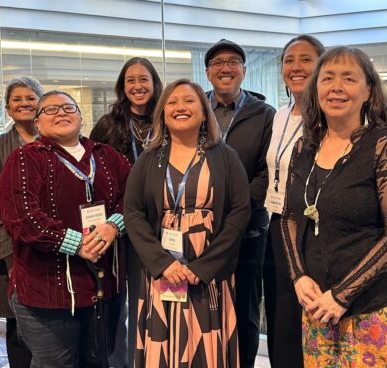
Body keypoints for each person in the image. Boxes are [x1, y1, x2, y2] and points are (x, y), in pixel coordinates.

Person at [281, 47, 387, 367]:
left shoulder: (386, 146)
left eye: (349, 78)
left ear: (369, 90)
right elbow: (289, 216)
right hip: (318, 308)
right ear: (316, 88)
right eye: (327, 77)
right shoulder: (305, 146)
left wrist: (342, 295)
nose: (336, 87)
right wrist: (298, 276)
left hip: (376, 310)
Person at [0, 90, 132, 367]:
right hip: (47, 294)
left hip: (105, 289)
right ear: (38, 123)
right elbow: (22, 218)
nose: (61, 113)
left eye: (69, 108)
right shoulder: (24, 159)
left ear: (81, 117)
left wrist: (112, 227)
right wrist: (77, 244)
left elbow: (134, 199)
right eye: (50, 110)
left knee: (99, 362)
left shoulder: (107, 156)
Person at [124, 79, 250, 367]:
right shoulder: (148, 159)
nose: (180, 107)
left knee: (207, 346)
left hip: (210, 274)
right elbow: (132, 213)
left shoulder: (225, 156)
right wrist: (163, 263)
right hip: (163, 273)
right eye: (172, 102)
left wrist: (204, 267)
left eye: (189, 101)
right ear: (162, 113)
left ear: (204, 112)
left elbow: (240, 212)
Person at [203, 38, 275, 367]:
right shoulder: (194, 109)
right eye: (217, 63)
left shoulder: (264, 114)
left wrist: (234, 211)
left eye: (233, 61)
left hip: (248, 232)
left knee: (245, 309)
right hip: (199, 232)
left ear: (244, 71)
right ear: (207, 72)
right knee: (204, 307)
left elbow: (268, 171)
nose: (225, 68)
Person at [90, 58, 163, 367]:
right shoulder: (109, 124)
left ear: (154, 83)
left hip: (161, 220)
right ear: (122, 87)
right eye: (130, 80)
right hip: (118, 222)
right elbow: (89, 167)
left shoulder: (166, 118)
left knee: (156, 295)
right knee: (118, 300)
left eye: (143, 79)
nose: (137, 86)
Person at [263, 34, 325, 368]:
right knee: (279, 314)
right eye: (289, 60)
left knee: (304, 314)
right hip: (275, 222)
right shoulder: (280, 115)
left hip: (309, 228)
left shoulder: (328, 119)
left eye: (306, 59)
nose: (296, 67)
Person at [0, 76, 43, 368]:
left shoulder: (56, 141)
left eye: (30, 98)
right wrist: (6, 255)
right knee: (19, 330)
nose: (24, 104)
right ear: (7, 108)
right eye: (17, 99)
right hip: (13, 254)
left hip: (54, 251)